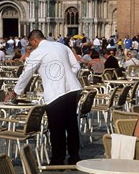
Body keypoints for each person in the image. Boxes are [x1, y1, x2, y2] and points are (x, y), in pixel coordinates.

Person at [6, 29, 82, 165]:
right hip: (73, 89)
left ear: (35, 40)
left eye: (31, 44)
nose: (32, 47)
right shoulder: (62, 46)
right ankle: (74, 157)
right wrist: (68, 77)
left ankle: (57, 160)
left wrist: (15, 91)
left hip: (55, 93)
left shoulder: (38, 52)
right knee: (71, 124)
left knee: (56, 127)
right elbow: (76, 66)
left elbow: (27, 73)